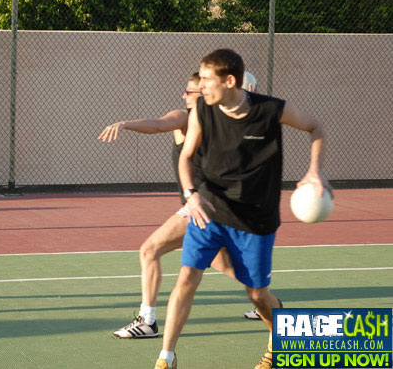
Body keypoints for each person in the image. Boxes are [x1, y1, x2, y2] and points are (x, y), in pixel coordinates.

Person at [152, 49, 330, 369]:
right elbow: (186, 157)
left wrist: (314, 170)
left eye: (206, 79)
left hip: (255, 218)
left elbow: (316, 128)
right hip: (209, 209)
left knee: (258, 296)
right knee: (187, 277)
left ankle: (281, 341)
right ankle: (167, 357)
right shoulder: (202, 112)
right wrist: (191, 194)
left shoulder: (272, 110)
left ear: (230, 80)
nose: (200, 86)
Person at [99, 72, 256, 339]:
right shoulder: (222, 123)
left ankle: (147, 320)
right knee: (227, 266)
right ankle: (269, 306)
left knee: (149, 250)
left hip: (200, 205)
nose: (184, 96)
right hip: (219, 205)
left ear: (203, 94)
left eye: (189, 91)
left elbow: (160, 124)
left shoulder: (186, 117)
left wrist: (125, 123)